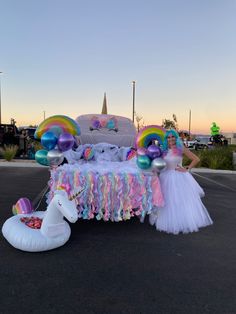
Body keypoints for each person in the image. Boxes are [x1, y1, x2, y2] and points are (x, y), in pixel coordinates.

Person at [149, 129, 213, 234]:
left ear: (176, 137)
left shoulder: (181, 148)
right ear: (166, 139)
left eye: (173, 136)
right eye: (168, 137)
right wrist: (155, 171)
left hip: (178, 176)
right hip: (165, 177)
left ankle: (181, 221)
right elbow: (159, 164)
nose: (171, 139)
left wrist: (187, 168)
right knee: (166, 200)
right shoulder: (163, 150)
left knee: (179, 200)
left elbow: (196, 159)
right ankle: (167, 220)